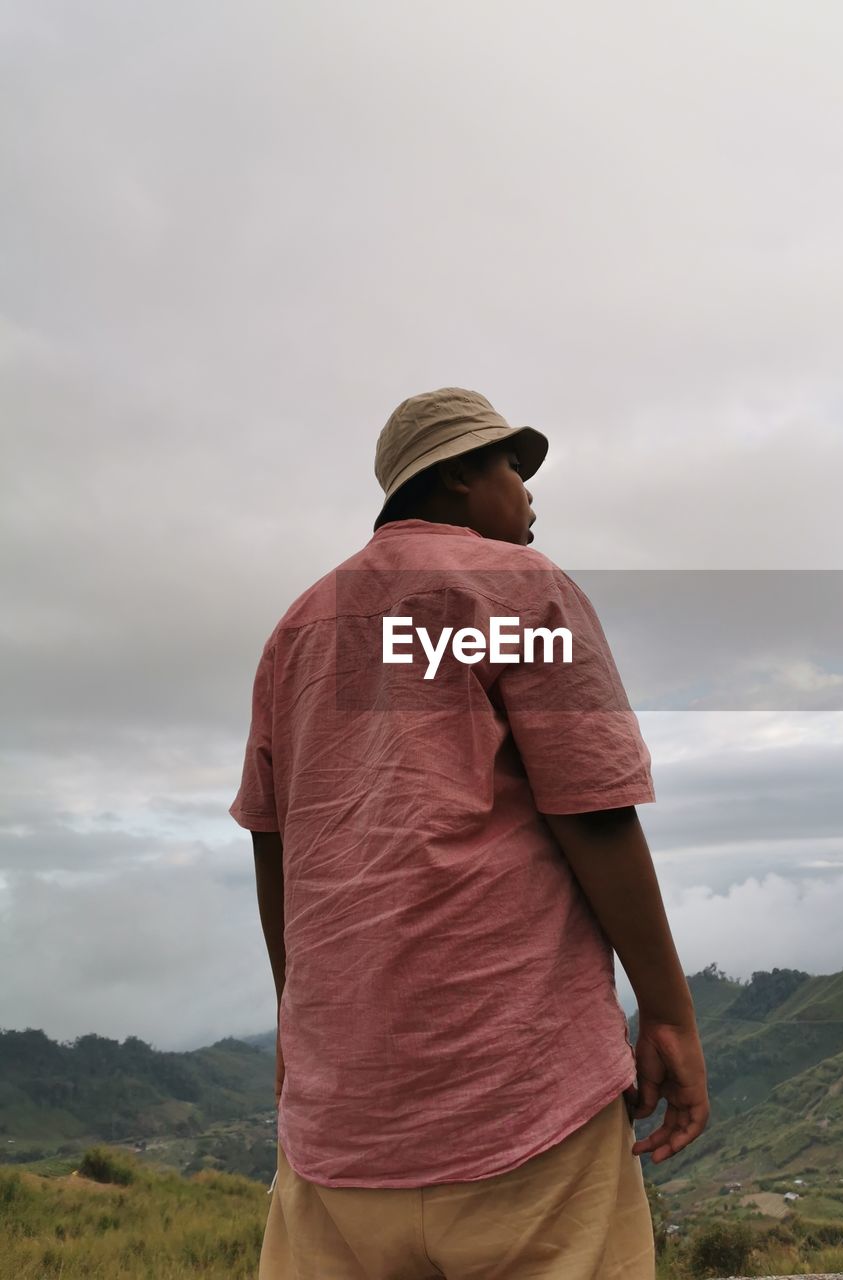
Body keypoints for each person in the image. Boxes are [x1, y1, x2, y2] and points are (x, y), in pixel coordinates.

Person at [229, 387, 709, 1279]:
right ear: (454, 476)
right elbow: (594, 810)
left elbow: (276, 842)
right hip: (520, 1109)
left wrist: (298, 1028)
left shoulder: (296, 629)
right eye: (512, 470)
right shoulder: (523, 588)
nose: (529, 495)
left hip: (340, 1136)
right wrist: (671, 1018)